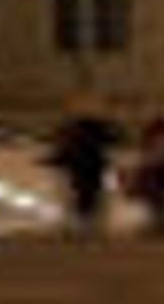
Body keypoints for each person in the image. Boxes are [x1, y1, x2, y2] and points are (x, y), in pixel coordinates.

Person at [48, 101, 120, 236]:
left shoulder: (71, 130)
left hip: (83, 168)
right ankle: (85, 223)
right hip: (89, 168)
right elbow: (114, 138)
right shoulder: (93, 129)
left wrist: (56, 160)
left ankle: (81, 223)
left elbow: (62, 148)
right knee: (88, 196)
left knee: (82, 196)